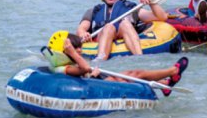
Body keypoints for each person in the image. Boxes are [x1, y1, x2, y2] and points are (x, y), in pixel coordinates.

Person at [44, 31, 189, 96]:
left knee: (129, 75)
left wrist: (91, 74)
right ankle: (172, 72)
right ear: (66, 52)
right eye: (76, 48)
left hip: (91, 84)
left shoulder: (60, 65)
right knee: (133, 74)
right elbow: (85, 68)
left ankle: (164, 83)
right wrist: (72, 53)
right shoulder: (65, 68)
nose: (80, 50)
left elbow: (84, 72)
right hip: (92, 89)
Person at [77, 0, 168, 60]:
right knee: (109, 27)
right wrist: (83, 34)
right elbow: (81, 29)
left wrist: (150, 0)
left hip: (123, 32)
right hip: (102, 36)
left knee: (125, 23)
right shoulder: (93, 11)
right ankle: (100, 60)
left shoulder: (131, 9)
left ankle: (139, 58)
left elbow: (161, 17)